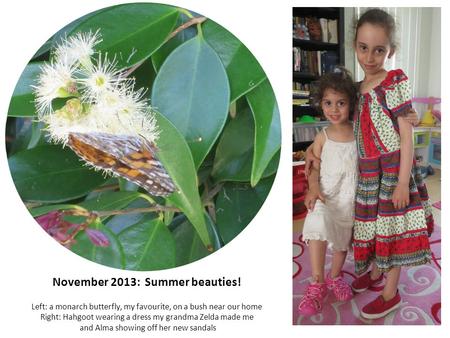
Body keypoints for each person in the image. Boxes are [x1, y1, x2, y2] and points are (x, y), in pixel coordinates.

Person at [304, 8, 434, 320]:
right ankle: (376, 273)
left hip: (393, 172)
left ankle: (391, 293)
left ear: (392, 50)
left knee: (393, 231)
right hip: (368, 174)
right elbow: (343, 127)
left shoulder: (394, 81)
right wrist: (313, 148)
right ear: (354, 46)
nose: (370, 57)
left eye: (379, 50)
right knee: (374, 229)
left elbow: (405, 136)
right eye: (364, 48)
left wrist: (402, 182)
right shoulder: (356, 90)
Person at [298, 68, 358, 316]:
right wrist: (313, 188)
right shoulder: (322, 136)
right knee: (317, 227)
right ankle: (317, 282)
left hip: (349, 199)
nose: (334, 109)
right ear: (320, 104)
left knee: (342, 241)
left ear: (351, 104)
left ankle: (335, 277)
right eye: (328, 103)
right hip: (324, 195)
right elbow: (313, 166)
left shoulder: (357, 132)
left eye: (341, 103)